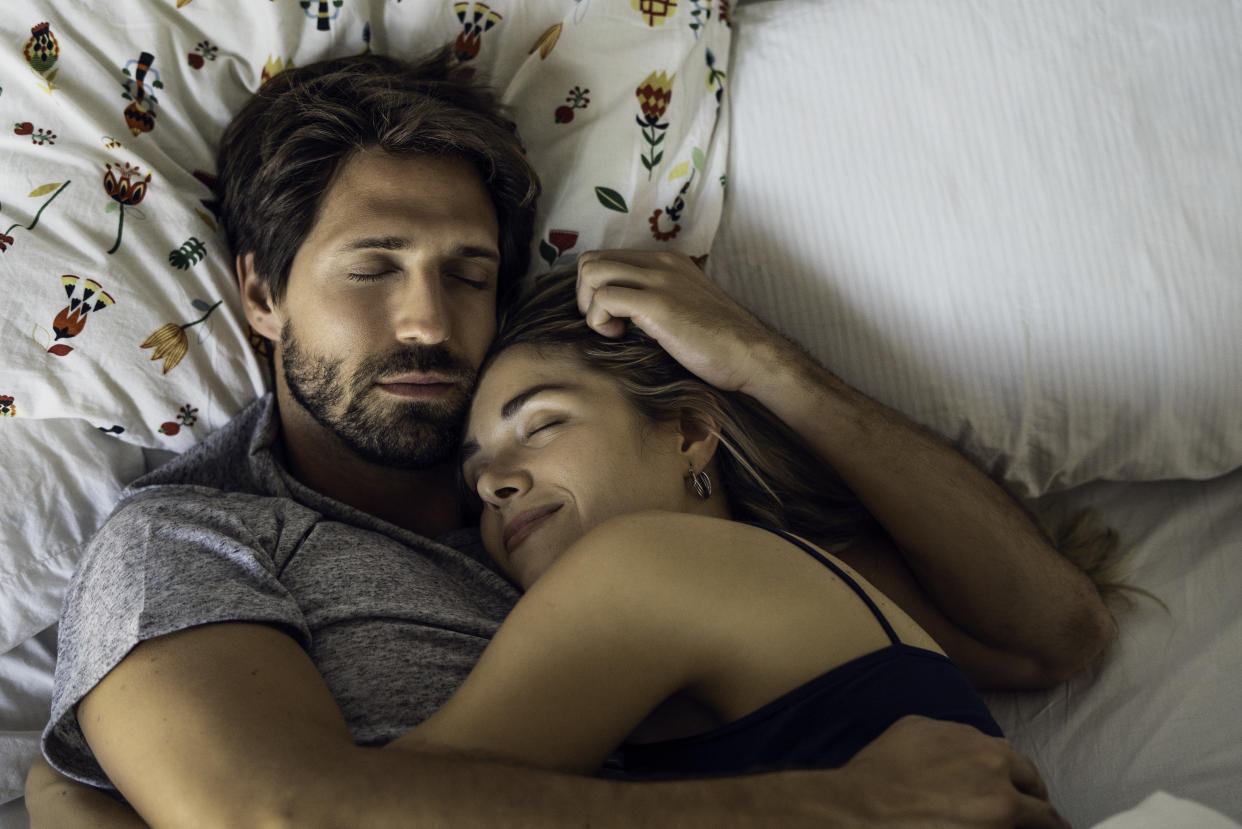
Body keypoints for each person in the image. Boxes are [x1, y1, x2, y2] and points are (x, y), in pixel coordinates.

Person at [24, 46, 1109, 828]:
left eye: (469, 271)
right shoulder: (192, 541)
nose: (427, 321)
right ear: (260, 294)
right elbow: (281, 817)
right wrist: (835, 806)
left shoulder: (587, 514)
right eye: (372, 266)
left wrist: (766, 363)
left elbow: (1044, 639)